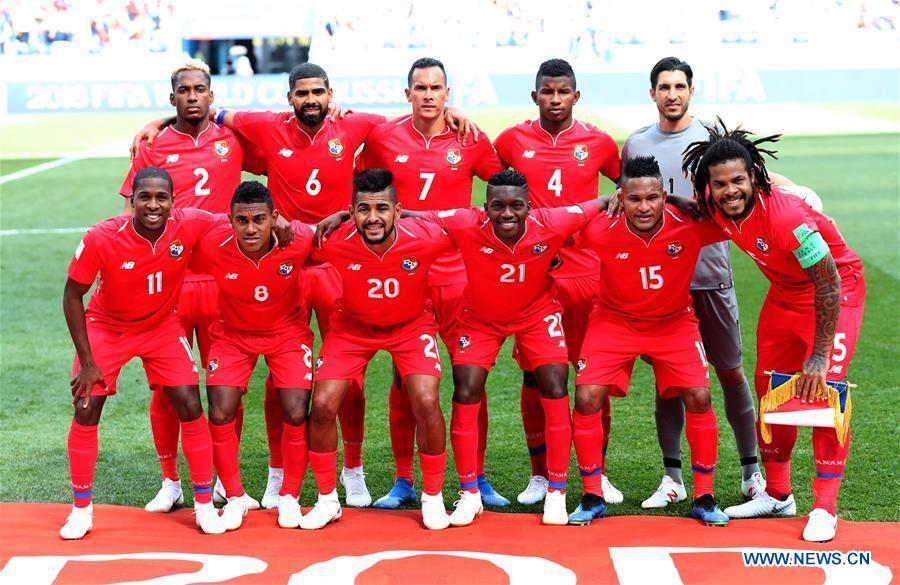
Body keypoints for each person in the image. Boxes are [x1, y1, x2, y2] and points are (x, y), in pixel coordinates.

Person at [134, 62, 477, 509]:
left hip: (337, 263)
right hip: (280, 264)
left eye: (318, 93)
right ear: (290, 97)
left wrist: (451, 112)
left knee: (346, 378)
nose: (311, 100)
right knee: (268, 377)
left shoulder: (355, 124)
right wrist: (161, 122)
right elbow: (211, 112)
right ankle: (271, 475)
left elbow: (411, 119)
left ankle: (353, 472)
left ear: (330, 95)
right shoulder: (264, 125)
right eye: (302, 93)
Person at [682, 122, 865, 542]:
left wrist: (819, 355)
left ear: (754, 176)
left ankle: (825, 507)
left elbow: (829, 282)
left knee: (826, 392)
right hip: (785, 294)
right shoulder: (714, 204)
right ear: (708, 185)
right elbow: (685, 210)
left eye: (738, 181)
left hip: (836, 292)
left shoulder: (787, 218)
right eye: (720, 184)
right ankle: (779, 494)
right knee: (771, 389)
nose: (730, 191)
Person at [410, 169, 605, 527]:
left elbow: (603, 202)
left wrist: (671, 199)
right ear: (485, 207)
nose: (507, 213)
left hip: (536, 314)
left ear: (530, 206)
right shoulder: (466, 222)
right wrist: (347, 215)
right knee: (466, 391)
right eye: (497, 206)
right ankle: (469, 493)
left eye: (516, 205)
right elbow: (414, 215)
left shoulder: (553, 221)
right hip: (480, 318)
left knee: (555, 386)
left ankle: (556, 492)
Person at [358, 57, 507, 509]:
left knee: (470, 376)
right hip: (406, 275)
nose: (428, 95)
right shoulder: (383, 137)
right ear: (408, 94)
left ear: (447, 93)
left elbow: (506, 186)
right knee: (405, 378)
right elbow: (363, 187)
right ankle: (404, 479)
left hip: (459, 275)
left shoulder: (470, 138)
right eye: (420, 87)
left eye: (436, 88)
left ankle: (476, 477)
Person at [121, 59, 267, 514]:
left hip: (226, 282)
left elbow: (282, 147)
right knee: (167, 388)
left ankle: (226, 481)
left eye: (198, 89)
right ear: (173, 98)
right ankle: (170, 482)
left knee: (228, 388)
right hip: (171, 286)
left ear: (211, 95)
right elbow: (130, 213)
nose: (191, 96)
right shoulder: (154, 145)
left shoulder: (233, 139)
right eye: (183, 91)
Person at [619, 57, 763, 509]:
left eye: (679, 86)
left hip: (710, 277)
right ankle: (673, 477)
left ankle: (751, 473)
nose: (672, 94)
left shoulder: (713, 139)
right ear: (652, 93)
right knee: (670, 381)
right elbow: (630, 202)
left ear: (691, 91)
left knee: (730, 372)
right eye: (664, 87)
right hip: (664, 284)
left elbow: (747, 188)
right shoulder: (636, 143)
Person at [61, 168, 228, 539]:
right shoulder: (102, 236)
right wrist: (87, 362)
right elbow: (71, 295)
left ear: (173, 201)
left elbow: (236, 217)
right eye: (145, 198)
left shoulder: (189, 222)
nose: (153, 205)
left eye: (161, 198)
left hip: (162, 326)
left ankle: (204, 507)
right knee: (86, 406)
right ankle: (81, 510)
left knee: (190, 403)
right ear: (132, 201)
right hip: (108, 327)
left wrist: (284, 222)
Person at [569, 155, 729, 527]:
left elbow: (740, 217)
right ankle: (592, 495)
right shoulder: (600, 228)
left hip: (674, 322)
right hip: (613, 320)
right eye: (635, 199)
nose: (644, 207)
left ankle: (705, 496)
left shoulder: (690, 224)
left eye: (653, 198)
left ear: (664, 196)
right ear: (620, 197)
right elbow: (554, 229)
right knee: (587, 396)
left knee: (700, 396)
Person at [493, 58, 623, 506]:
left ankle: (597, 473)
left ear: (576, 96)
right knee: (536, 377)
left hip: (587, 275)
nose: (554, 99)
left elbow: (630, 189)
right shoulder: (511, 140)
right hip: (535, 278)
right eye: (547, 92)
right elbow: (492, 182)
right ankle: (539, 474)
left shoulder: (599, 142)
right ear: (534, 96)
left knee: (592, 378)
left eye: (562, 91)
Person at [302, 169, 452, 531]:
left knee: (425, 399)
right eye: (363, 209)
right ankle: (327, 500)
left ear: (397, 211)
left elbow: (476, 223)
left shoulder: (426, 236)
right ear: (351, 212)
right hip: (352, 329)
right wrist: (334, 217)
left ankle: (433, 498)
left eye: (382, 209)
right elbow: (283, 231)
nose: (373, 218)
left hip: (411, 326)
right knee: (322, 404)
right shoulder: (332, 239)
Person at [189, 181, 316, 530]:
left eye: (259, 219)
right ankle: (235, 497)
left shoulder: (299, 238)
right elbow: (177, 220)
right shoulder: (213, 242)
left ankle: (289, 497)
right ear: (229, 219)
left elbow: (338, 229)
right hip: (232, 335)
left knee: (295, 411)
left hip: (287, 333)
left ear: (273, 218)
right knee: (220, 410)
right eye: (241, 220)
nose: (250, 229)